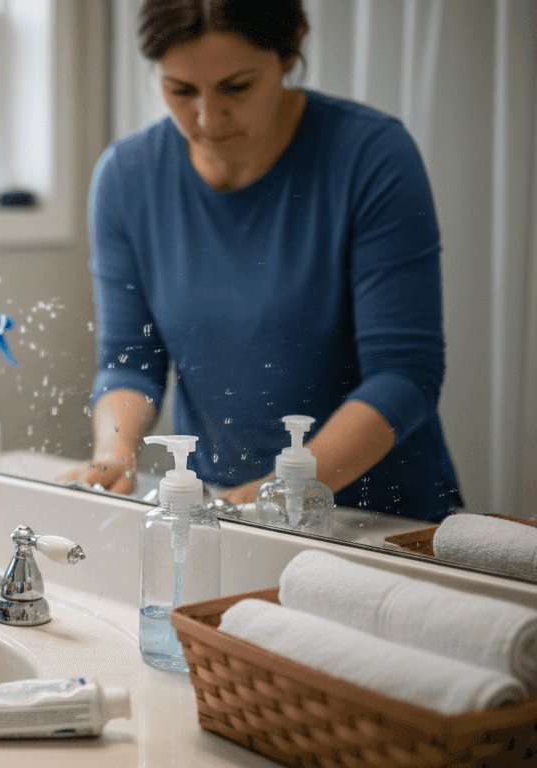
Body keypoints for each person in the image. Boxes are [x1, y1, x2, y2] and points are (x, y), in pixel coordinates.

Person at [63, 0, 463, 522]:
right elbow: (130, 362)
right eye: (180, 90)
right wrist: (114, 454)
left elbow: (405, 375)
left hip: (381, 517)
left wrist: (280, 489)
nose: (207, 118)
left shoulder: (371, 155)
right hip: (225, 504)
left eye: (237, 87)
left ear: (289, 51)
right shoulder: (126, 177)